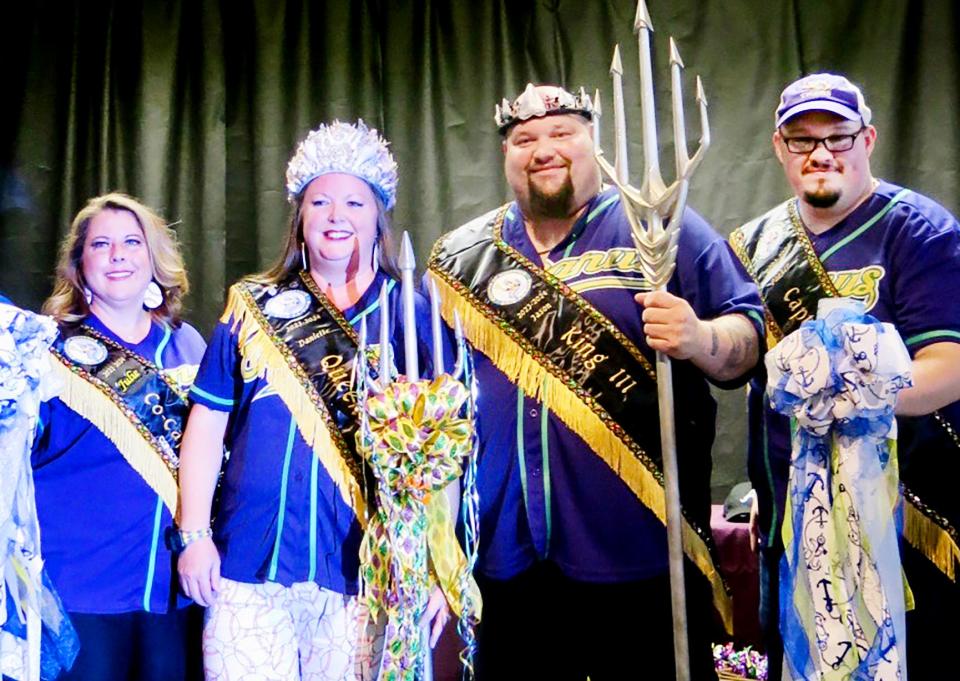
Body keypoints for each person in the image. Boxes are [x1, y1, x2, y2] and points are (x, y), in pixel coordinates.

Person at [427, 84, 764, 680]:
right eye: (524, 139)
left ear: (595, 145)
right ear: (506, 155)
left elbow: (748, 337)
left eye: (562, 133)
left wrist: (700, 338)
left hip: (640, 556)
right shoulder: (460, 259)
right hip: (506, 562)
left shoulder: (660, 230)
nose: (543, 149)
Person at [177, 120, 449, 680]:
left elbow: (443, 457)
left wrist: (439, 567)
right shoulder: (251, 306)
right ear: (299, 218)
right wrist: (194, 535)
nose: (336, 215)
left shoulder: (414, 315)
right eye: (319, 200)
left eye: (355, 201)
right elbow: (205, 426)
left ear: (379, 219)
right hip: (246, 568)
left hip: (364, 576)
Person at [731, 73, 960, 679]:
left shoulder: (921, 230)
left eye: (838, 136)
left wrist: (846, 392)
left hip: (904, 515)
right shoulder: (754, 245)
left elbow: (948, 369)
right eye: (802, 140)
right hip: (794, 513)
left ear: (868, 140)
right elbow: (761, 383)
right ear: (780, 148)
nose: (821, 153)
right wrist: (767, 484)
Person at [34, 192, 205, 679]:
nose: (117, 255)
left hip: (169, 588)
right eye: (101, 244)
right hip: (77, 587)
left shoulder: (187, 343)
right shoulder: (46, 349)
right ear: (78, 264)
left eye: (132, 242)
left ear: (153, 258)